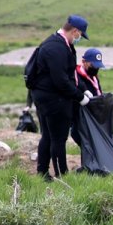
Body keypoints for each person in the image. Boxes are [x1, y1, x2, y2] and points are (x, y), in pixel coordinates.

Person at [28, 15, 93, 181]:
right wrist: (80, 97)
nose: (79, 38)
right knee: (58, 138)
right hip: (53, 100)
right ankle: (62, 176)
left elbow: (70, 74)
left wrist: (83, 89)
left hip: (45, 97)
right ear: (75, 31)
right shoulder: (56, 48)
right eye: (80, 35)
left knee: (48, 136)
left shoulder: (59, 44)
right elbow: (61, 80)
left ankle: (43, 173)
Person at [71, 47, 107, 146]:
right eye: (93, 65)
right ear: (84, 62)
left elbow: (98, 93)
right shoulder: (76, 76)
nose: (95, 68)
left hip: (94, 116)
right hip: (80, 117)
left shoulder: (94, 77)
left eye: (97, 66)